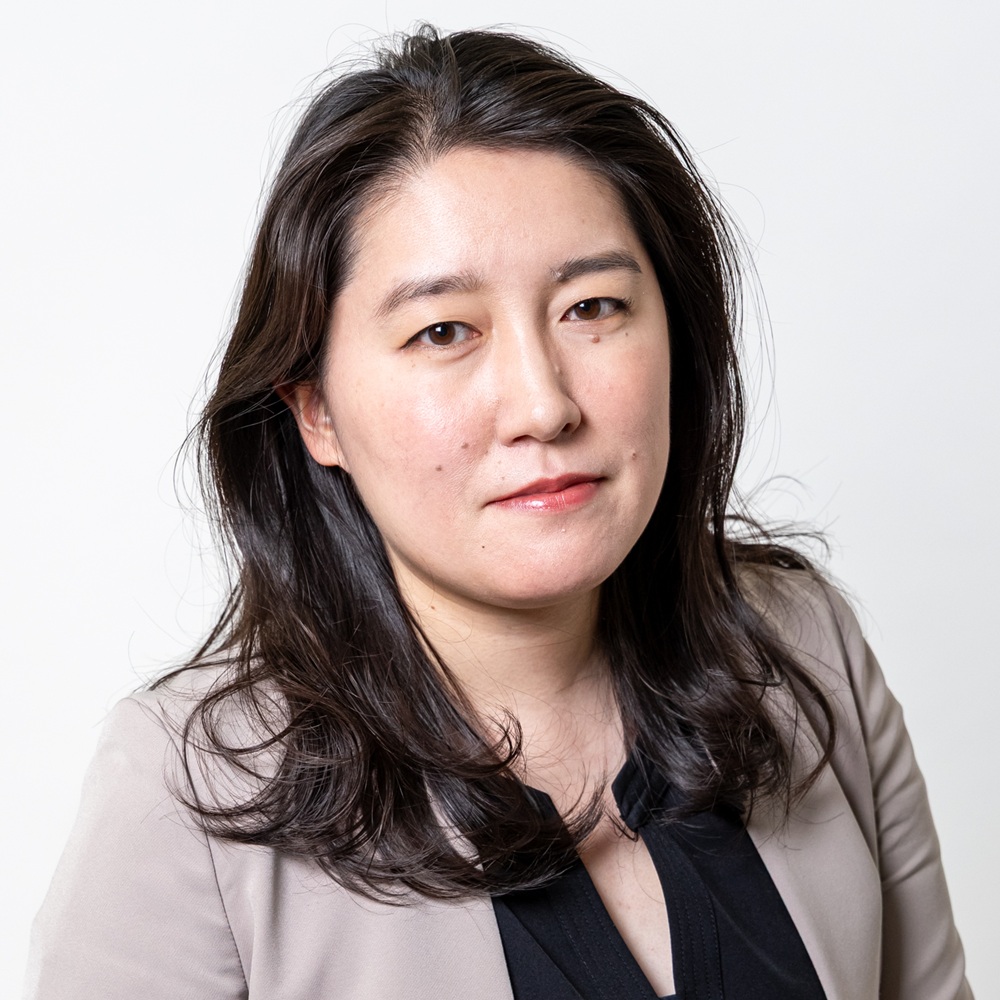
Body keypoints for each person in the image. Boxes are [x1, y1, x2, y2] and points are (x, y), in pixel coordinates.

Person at [25, 25, 971, 1000]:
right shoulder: (186, 800)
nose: (543, 405)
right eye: (443, 330)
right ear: (316, 410)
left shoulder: (801, 647)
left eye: (592, 307)